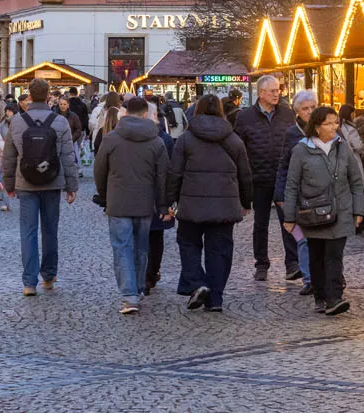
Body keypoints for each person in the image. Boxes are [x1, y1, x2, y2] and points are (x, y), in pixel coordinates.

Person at [168, 94, 251, 313]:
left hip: (191, 204)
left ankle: (198, 282)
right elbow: (245, 175)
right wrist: (245, 201)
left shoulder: (186, 139)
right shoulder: (233, 139)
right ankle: (216, 299)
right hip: (224, 206)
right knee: (220, 250)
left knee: (188, 243)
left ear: (196, 110)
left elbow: (175, 173)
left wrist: (170, 201)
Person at [283, 105, 364, 316]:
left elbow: (356, 182)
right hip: (313, 213)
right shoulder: (301, 150)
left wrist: (359, 211)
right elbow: (292, 185)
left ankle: (334, 298)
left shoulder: (343, 147)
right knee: (317, 256)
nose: (333, 127)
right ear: (317, 127)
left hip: (341, 210)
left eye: (335, 122)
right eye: (328, 123)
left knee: (334, 255)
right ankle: (320, 295)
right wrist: (290, 217)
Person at [93, 97, 168, 314]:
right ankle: (138, 288)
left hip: (118, 201)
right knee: (141, 247)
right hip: (145, 203)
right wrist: (163, 205)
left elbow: (100, 171)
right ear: (146, 114)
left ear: (125, 113)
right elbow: (163, 176)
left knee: (122, 248)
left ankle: (129, 295)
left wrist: (105, 195)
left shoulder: (111, 139)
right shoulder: (156, 141)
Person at [3, 78, 78, 296]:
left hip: (25, 183)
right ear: (48, 97)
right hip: (52, 181)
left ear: (28, 96)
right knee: (50, 230)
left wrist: (9, 184)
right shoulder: (60, 121)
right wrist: (71, 186)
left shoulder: (17, 121)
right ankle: (49, 276)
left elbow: (9, 156)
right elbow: (67, 156)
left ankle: (29, 282)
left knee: (28, 232)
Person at [233, 75, 298, 281]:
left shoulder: (287, 115)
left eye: (278, 90)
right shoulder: (245, 118)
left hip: (283, 177)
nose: (277, 93)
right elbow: (239, 149)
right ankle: (261, 263)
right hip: (258, 178)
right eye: (272, 91)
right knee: (260, 224)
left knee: (287, 221)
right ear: (261, 93)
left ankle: (292, 263)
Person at [275, 89, 318, 295]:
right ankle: (309, 278)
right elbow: (284, 165)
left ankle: (331, 276)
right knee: (303, 239)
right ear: (297, 112)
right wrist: (280, 196)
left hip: (323, 194)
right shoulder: (293, 134)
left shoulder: (328, 129)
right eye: (305, 109)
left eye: (313, 107)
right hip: (299, 195)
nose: (310, 112)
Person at [146, 115, 177, 294]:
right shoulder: (164, 139)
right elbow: (170, 170)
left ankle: (145, 273)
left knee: (141, 236)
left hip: (137, 195)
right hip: (158, 195)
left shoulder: (121, 136)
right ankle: (151, 273)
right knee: (156, 236)